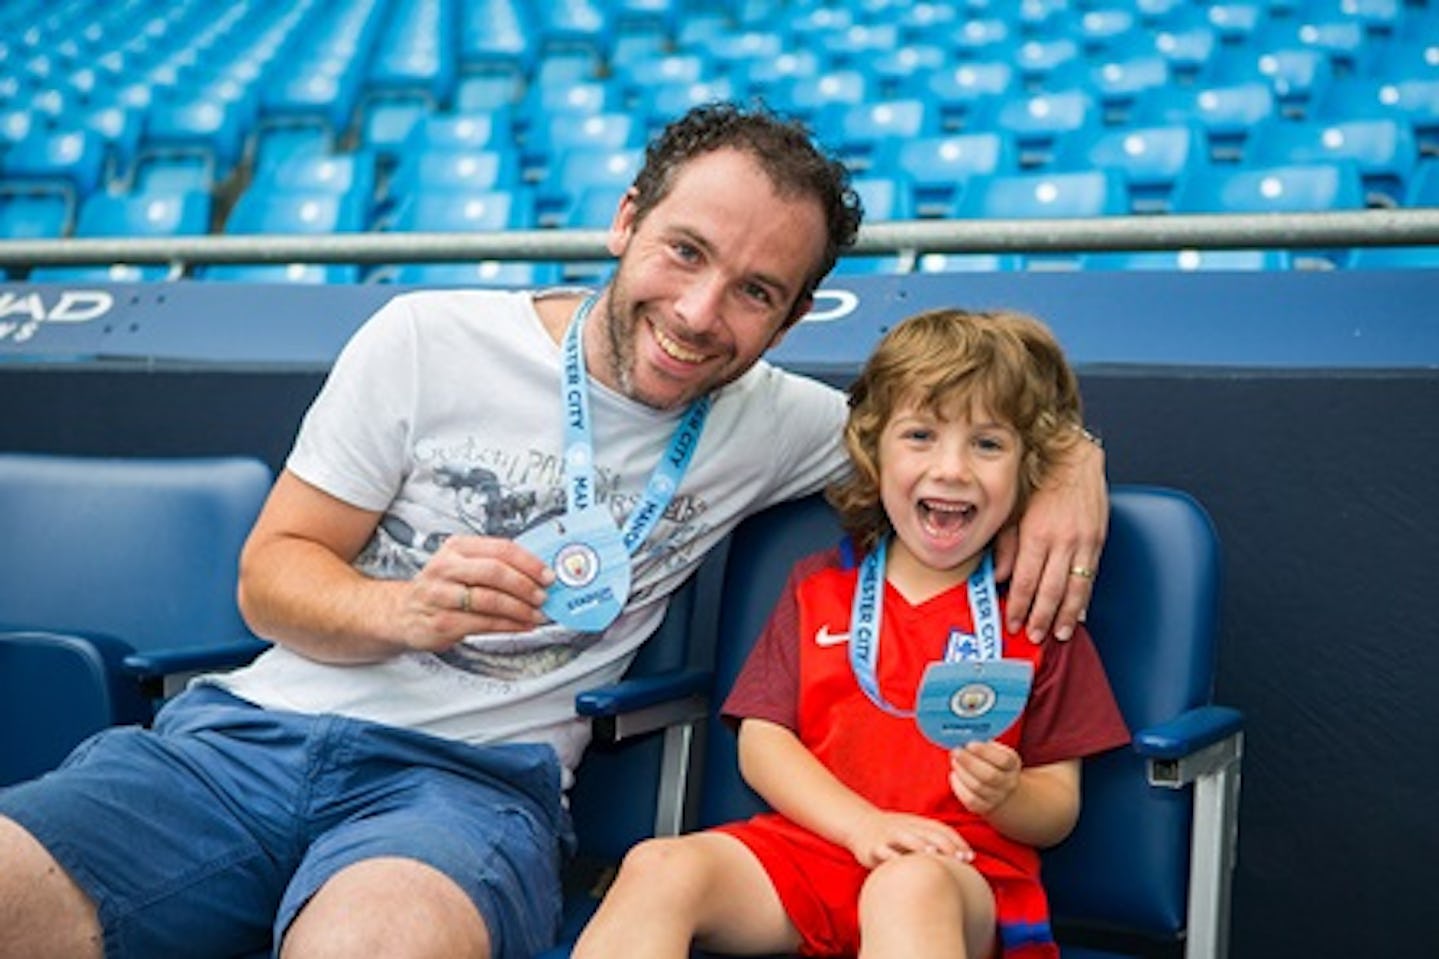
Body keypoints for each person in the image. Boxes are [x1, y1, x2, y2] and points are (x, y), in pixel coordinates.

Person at [0, 104, 1106, 959]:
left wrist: (1069, 464)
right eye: (683, 251)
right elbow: (270, 576)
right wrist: (401, 608)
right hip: (241, 741)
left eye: (755, 290)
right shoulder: (424, 336)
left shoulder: (789, 422)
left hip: (466, 785)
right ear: (626, 219)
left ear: (793, 316)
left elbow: (956, 436)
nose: (698, 313)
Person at [573, 308, 1129, 959]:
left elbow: (1058, 807)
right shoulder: (818, 587)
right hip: (817, 848)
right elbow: (762, 741)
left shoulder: (1036, 610)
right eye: (921, 435)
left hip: (954, 871)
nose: (951, 468)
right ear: (873, 447)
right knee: (658, 867)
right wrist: (861, 825)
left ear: (1027, 466)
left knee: (905, 886)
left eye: (987, 443)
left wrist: (1007, 795)